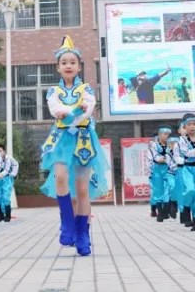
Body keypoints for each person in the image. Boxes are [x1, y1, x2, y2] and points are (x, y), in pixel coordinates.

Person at [40, 35, 110, 257]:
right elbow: (54, 109)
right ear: (58, 67)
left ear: (79, 66)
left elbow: (87, 110)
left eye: (72, 62)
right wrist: (73, 111)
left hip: (83, 140)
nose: (68, 66)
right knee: (60, 176)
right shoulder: (54, 91)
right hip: (62, 139)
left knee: (82, 189)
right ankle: (67, 223)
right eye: (64, 62)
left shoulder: (87, 90)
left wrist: (69, 113)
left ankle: (82, 234)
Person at [148, 126, 172, 221]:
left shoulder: (171, 144)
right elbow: (155, 157)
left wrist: (166, 159)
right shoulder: (154, 145)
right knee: (157, 190)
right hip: (157, 169)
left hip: (168, 169)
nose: (166, 136)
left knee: (169, 188)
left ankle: (166, 210)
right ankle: (159, 212)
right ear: (159, 134)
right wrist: (163, 159)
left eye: (168, 134)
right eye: (164, 134)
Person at [0, 146, 19, 223]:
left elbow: (9, 169)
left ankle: (7, 215)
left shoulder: (8, 158)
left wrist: (13, 174)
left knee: (5, 196)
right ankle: (0, 215)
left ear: (4, 151)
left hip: (7, 179)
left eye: (0, 151)